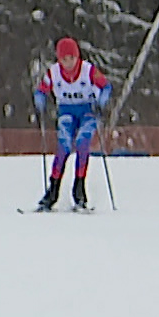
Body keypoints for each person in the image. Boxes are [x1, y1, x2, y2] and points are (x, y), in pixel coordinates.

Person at [32, 37, 112, 210]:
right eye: (64, 59)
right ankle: (52, 192)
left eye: (72, 59)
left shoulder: (87, 70)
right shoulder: (53, 73)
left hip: (87, 112)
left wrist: (102, 101)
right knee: (64, 146)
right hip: (66, 112)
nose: (68, 64)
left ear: (77, 57)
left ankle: (79, 190)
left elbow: (105, 86)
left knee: (83, 144)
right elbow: (41, 89)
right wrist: (40, 99)